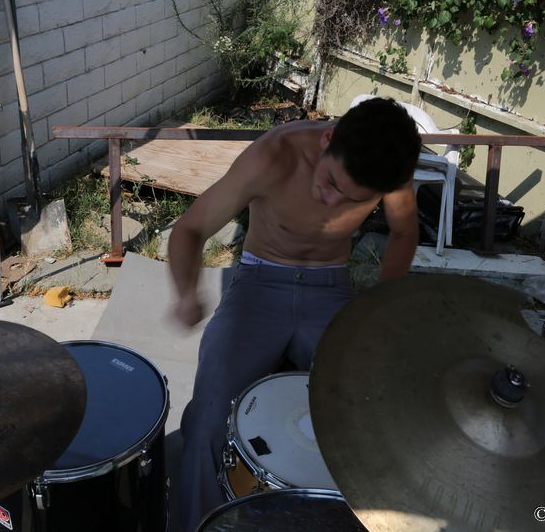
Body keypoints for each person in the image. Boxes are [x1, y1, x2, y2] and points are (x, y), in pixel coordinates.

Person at [168, 96, 422, 530]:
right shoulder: (273, 155)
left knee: (367, 417)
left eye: (351, 199)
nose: (331, 200)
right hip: (259, 284)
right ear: (327, 139)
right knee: (209, 420)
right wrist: (186, 293)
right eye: (330, 181)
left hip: (330, 286)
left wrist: (379, 305)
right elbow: (190, 228)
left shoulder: (386, 171)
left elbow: (404, 232)